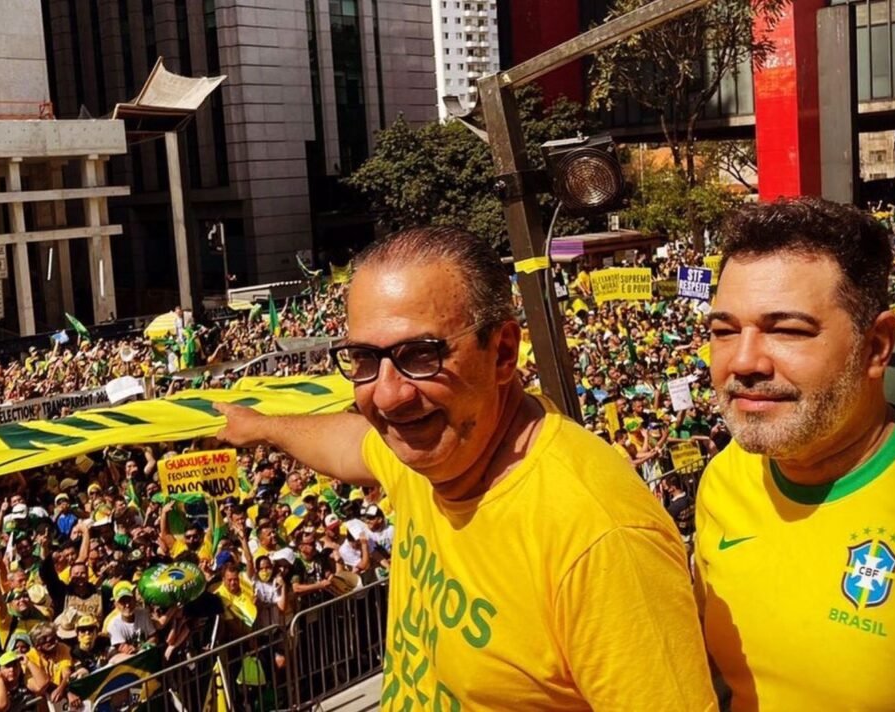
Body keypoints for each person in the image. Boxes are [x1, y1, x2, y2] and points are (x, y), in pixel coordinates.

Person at [215, 226, 715, 709]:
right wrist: (262, 426)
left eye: (420, 354)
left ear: (502, 353)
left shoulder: (600, 537)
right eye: (364, 358)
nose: (387, 395)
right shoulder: (428, 453)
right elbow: (350, 443)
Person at [697, 198, 895, 710]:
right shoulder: (722, 481)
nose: (743, 361)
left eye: (788, 330)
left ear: (877, 346)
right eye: (724, 331)